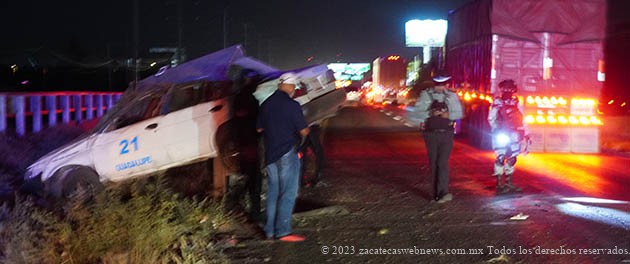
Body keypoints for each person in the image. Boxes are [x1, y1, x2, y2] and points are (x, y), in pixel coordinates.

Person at [256, 72, 310, 242]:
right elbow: (303, 130)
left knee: (273, 193)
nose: (294, 89)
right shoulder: (292, 105)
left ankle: (270, 231)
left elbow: (259, 129)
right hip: (287, 152)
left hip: (270, 154)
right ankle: (283, 232)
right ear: (291, 86)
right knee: (288, 193)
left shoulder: (266, 104)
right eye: (294, 86)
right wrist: (306, 130)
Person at [415, 71, 463, 203]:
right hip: (436, 133)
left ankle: (441, 193)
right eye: (438, 84)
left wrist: (444, 114)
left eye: (441, 84)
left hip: (439, 133)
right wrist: (433, 113)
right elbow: (419, 113)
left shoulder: (447, 96)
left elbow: (458, 114)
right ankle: (438, 194)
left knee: (439, 163)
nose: (440, 86)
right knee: (436, 163)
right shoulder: (430, 95)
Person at [488, 79, 528, 193]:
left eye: (509, 89)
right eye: (505, 89)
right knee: (500, 157)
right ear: (501, 90)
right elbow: (492, 118)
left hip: (514, 134)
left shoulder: (517, 104)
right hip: (501, 132)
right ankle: (499, 184)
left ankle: (508, 183)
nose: (507, 91)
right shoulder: (497, 103)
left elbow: (523, 119)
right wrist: (496, 129)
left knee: (512, 158)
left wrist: (526, 133)